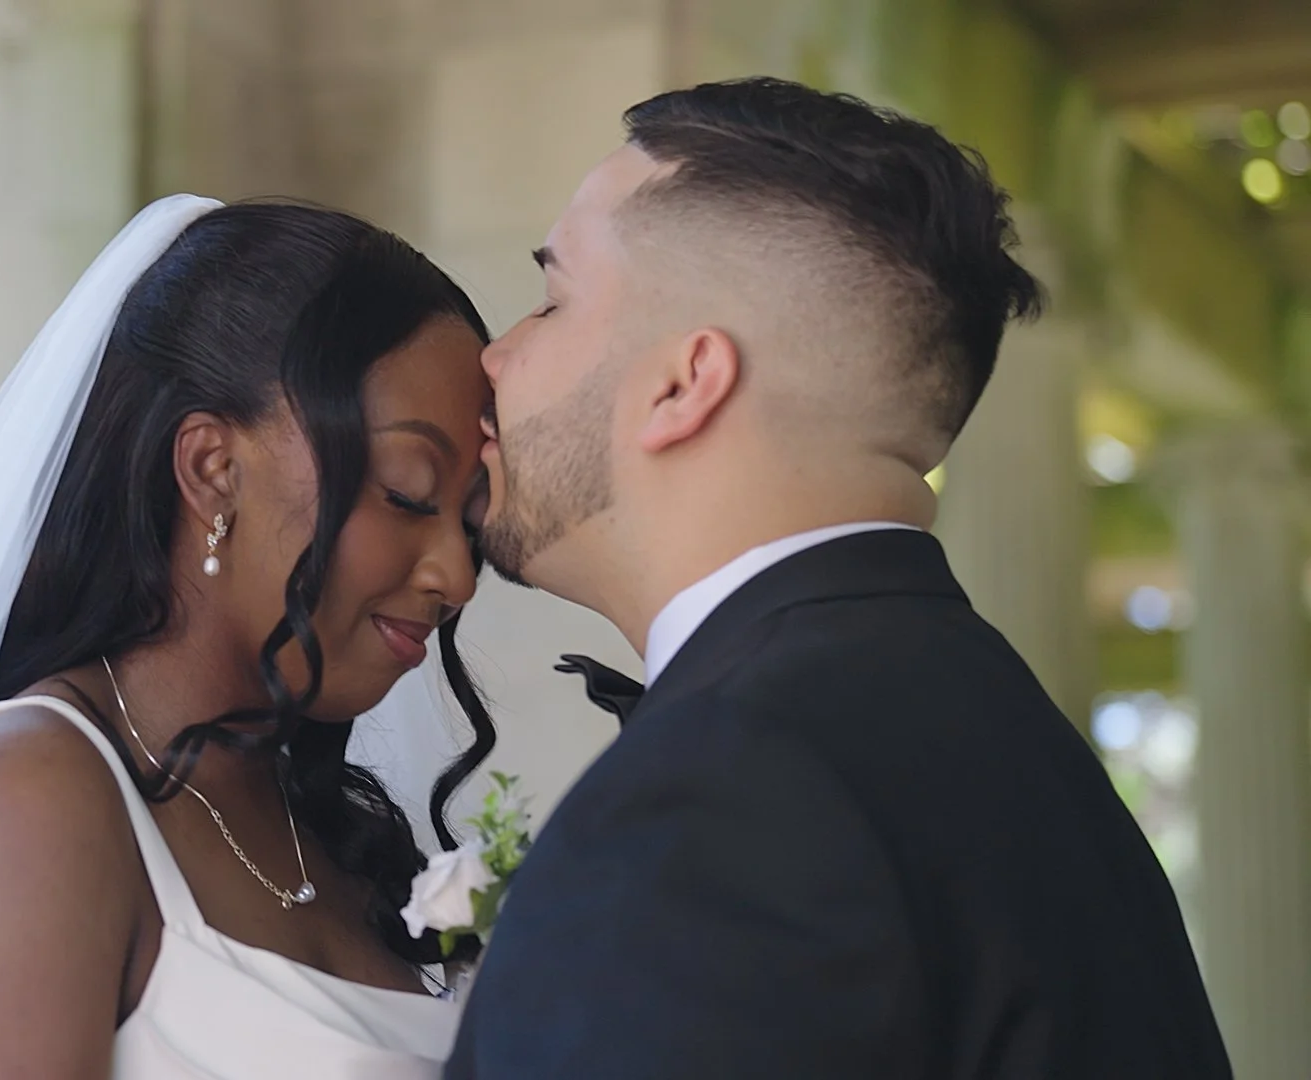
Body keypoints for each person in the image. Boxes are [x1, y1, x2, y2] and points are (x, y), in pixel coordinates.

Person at [444, 78, 1232, 1078]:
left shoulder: (728, 796)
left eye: (552, 302)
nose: (495, 355)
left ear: (684, 384)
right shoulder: (1023, 750)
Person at [0, 198, 499, 1080]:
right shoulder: (27, 799)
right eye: (408, 493)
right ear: (212, 469)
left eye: (469, 520)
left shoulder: (331, 834)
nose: (455, 575)